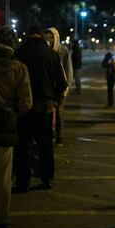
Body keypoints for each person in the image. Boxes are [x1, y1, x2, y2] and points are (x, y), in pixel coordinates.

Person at [0, 26, 32, 228]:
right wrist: (11, 109)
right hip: (4, 124)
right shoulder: (19, 68)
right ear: (14, 44)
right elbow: (26, 102)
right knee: (3, 176)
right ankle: (1, 223)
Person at [14, 24, 67, 192]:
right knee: (45, 145)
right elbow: (62, 84)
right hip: (45, 107)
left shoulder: (19, 54)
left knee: (23, 146)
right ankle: (46, 178)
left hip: (23, 108)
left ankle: (23, 181)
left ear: (29, 35)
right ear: (41, 36)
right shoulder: (51, 55)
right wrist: (55, 100)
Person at [45, 27, 73, 146]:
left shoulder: (63, 51)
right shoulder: (45, 51)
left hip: (61, 86)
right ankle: (50, 134)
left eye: (51, 37)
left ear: (56, 38)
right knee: (49, 112)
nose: (49, 40)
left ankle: (59, 136)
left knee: (59, 113)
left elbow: (68, 69)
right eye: (46, 37)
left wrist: (66, 87)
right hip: (49, 87)